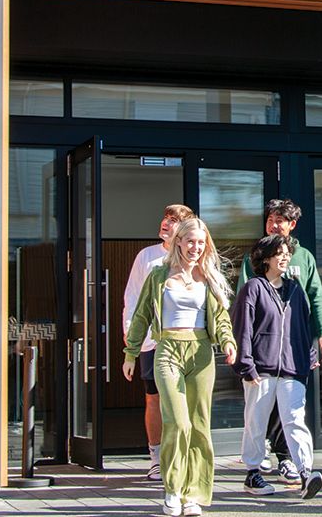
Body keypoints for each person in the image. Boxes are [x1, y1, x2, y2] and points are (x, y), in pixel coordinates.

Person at [123, 218, 237, 517]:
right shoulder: (159, 274)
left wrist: (228, 341)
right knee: (178, 422)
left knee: (199, 426)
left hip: (200, 353)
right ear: (178, 242)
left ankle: (193, 495)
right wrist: (130, 353)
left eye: (201, 243)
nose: (196, 248)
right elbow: (142, 314)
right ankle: (172, 489)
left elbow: (221, 318)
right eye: (190, 242)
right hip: (168, 350)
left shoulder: (209, 276)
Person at [236, 198, 322, 482]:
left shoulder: (304, 260)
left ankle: (295, 464)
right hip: (263, 355)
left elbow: (316, 299)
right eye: (270, 219)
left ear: (292, 225)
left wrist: (321, 334)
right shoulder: (254, 265)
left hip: (293, 352)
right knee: (259, 413)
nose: (274, 225)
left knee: (291, 413)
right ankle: (255, 467)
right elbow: (243, 312)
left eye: (280, 220)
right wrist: (243, 355)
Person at [122, 203, 195, 481]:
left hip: (185, 341)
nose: (166, 222)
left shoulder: (193, 258)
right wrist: (131, 332)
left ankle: (182, 455)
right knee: (153, 398)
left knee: (183, 400)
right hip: (153, 341)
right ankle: (156, 457)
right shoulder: (147, 257)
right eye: (165, 217)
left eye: (173, 220)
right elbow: (132, 297)